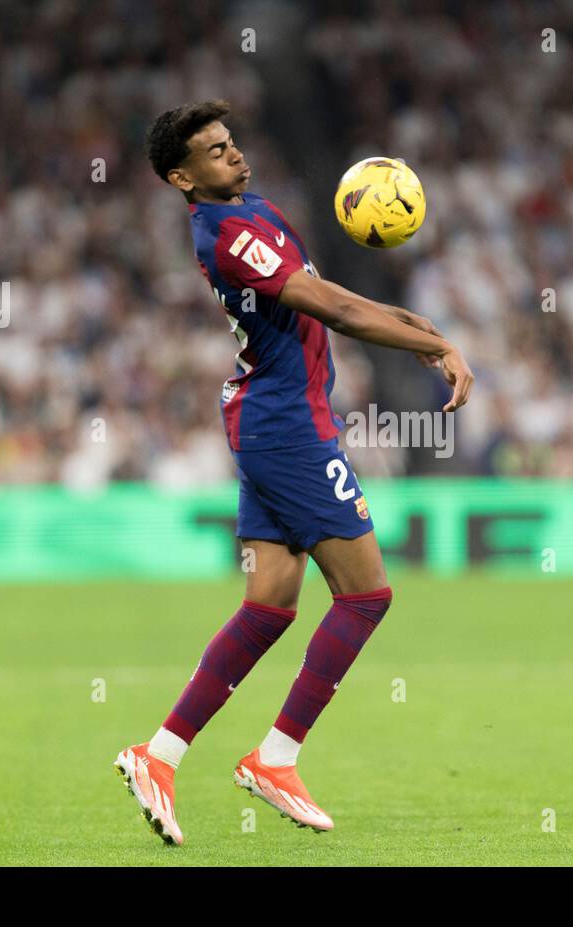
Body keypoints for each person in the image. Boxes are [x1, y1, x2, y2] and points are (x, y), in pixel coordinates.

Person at [114, 99, 474, 844]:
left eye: (231, 143)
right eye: (213, 153)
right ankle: (275, 758)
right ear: (181, 176)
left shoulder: (255, 209)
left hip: (270, 415)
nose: (234, 155)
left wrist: (425, 331)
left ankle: (160, 753)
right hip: (286, 425)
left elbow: (337, 301)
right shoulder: (228, 235)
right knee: (366, 595)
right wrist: (428, 342)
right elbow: (332, 308)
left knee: (271, 606)